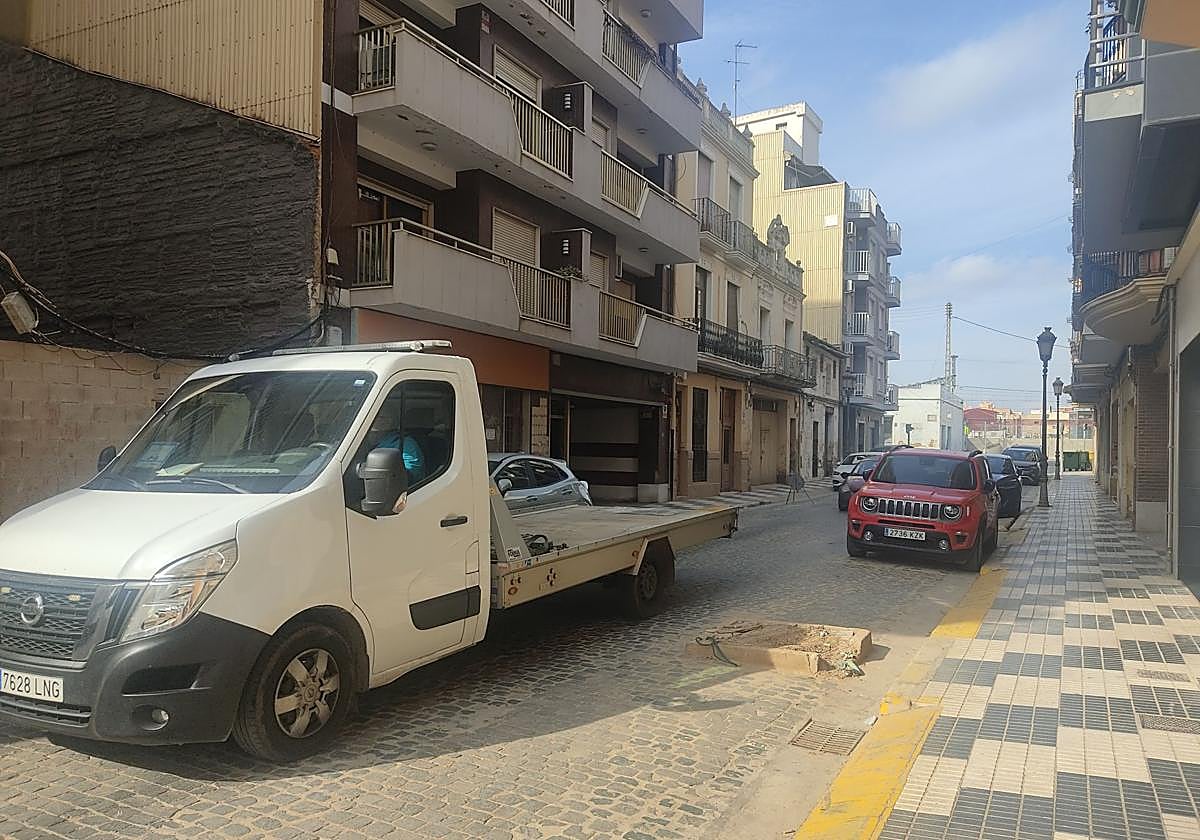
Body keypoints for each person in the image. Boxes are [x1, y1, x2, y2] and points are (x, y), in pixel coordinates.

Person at [367, 414, 425, 484]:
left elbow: (409, 477)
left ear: (389, 422)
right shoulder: (360, 439)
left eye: (378, 417)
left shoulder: (405, 443)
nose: (372, 419)